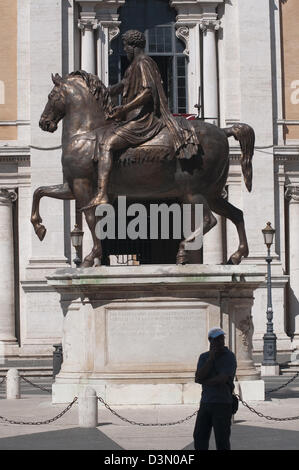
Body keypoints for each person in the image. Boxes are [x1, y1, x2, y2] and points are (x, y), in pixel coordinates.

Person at [84, 29, 198, 209]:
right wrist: (101, 91)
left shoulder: (144, 63)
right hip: (132, 119)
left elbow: (148, 92)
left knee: (107, 144)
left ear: (132, 46)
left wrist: (124, 108)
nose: (124, 50)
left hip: (142, 119)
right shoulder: (134, 65)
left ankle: (102, 194)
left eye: (125, 46)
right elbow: (122, 85)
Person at [193, 327, 237, 450]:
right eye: (216, 339)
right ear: (210, 341)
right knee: (199, 436)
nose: (220, 342)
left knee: (222, 440)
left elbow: (222, 379)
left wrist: (205, 381)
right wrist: (211, 359)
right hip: (206, 402)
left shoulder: (229, 356)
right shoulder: (204, 357)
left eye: (221, 338)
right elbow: (198, 377)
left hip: (222, 403)